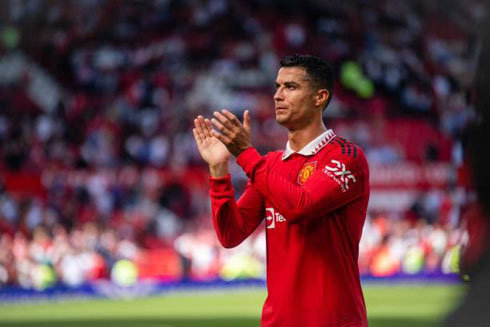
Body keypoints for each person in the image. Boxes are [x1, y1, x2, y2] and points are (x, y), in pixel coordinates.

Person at [192, 54, 370, 327]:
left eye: (290, 87)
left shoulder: (346, 157)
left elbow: (300, 206)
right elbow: (231, 234)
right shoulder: (271, 165)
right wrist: (218, 170)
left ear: (319, 97)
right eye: (277, 86)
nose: (277, 95)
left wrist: (245, 154)